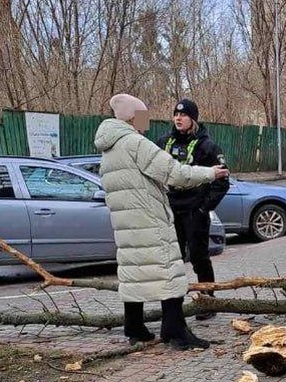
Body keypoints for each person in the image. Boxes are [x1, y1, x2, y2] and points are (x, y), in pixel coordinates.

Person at [94, 94, 230, 350]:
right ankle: (175, 330)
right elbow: (174, 173)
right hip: (150, 219)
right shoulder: (135, 142)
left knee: (134, 272)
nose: (148, 121)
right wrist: (210, 173)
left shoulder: (109, 146)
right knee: (170, 270)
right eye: (144, 115)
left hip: (127, 222)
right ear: (133, 116)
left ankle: (134, 327)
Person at [156, 99, 229, 320]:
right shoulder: (162, 142)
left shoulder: (208, 147)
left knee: (199, 258)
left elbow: (222, 182)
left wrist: (203, 208)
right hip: (170, 211)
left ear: (193, 119)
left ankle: (208, 301)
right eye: (176, 115)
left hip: (194, 212)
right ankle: (173, 305)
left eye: (184, 115)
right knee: (171, 259)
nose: (178, 118)